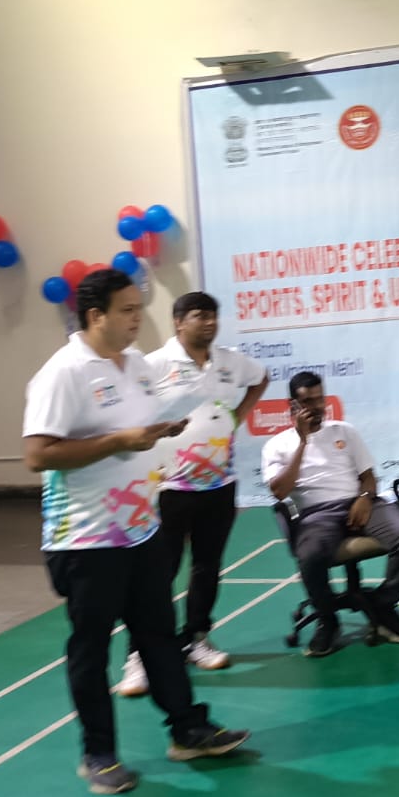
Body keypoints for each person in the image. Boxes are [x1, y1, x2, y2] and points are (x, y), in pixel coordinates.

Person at [22, 268, 250, 796]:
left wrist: (164, 430)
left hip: (142, 530)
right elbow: (38, 454)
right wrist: (119, 440)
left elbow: (139, 431)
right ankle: (98, 754)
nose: (137, 319)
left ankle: (188, 730)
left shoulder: (137, 367)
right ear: (94, 315)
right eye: (126, 310)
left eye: (137, 309)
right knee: (91, 648)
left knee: (158, 636)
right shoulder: (63, 373)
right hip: (86, 540)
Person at [117, 291, 268, 697]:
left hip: (219, 485)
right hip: (167, 489)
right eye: (200, 315)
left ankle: (196, 638)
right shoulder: (153, 365)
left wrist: (237, 416)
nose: (210, 322)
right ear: (178, 321)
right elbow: (128, 413)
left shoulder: (230, 361)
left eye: (213, 315)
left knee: (207, 566)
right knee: (156, 575)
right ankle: (138, 656)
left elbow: (261, 378)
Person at [262, 372, 399, 657]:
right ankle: (328, 619)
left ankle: (384, 604)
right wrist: (302, 442)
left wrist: (364, 498)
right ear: (292, 406)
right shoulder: (277, 445)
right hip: (317, 515)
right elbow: (279, 491)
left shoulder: (345, 431)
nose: (316, 407)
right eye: (307, 402)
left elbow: (368, 477)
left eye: (319, 399)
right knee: (309, 555)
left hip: (361, 503)